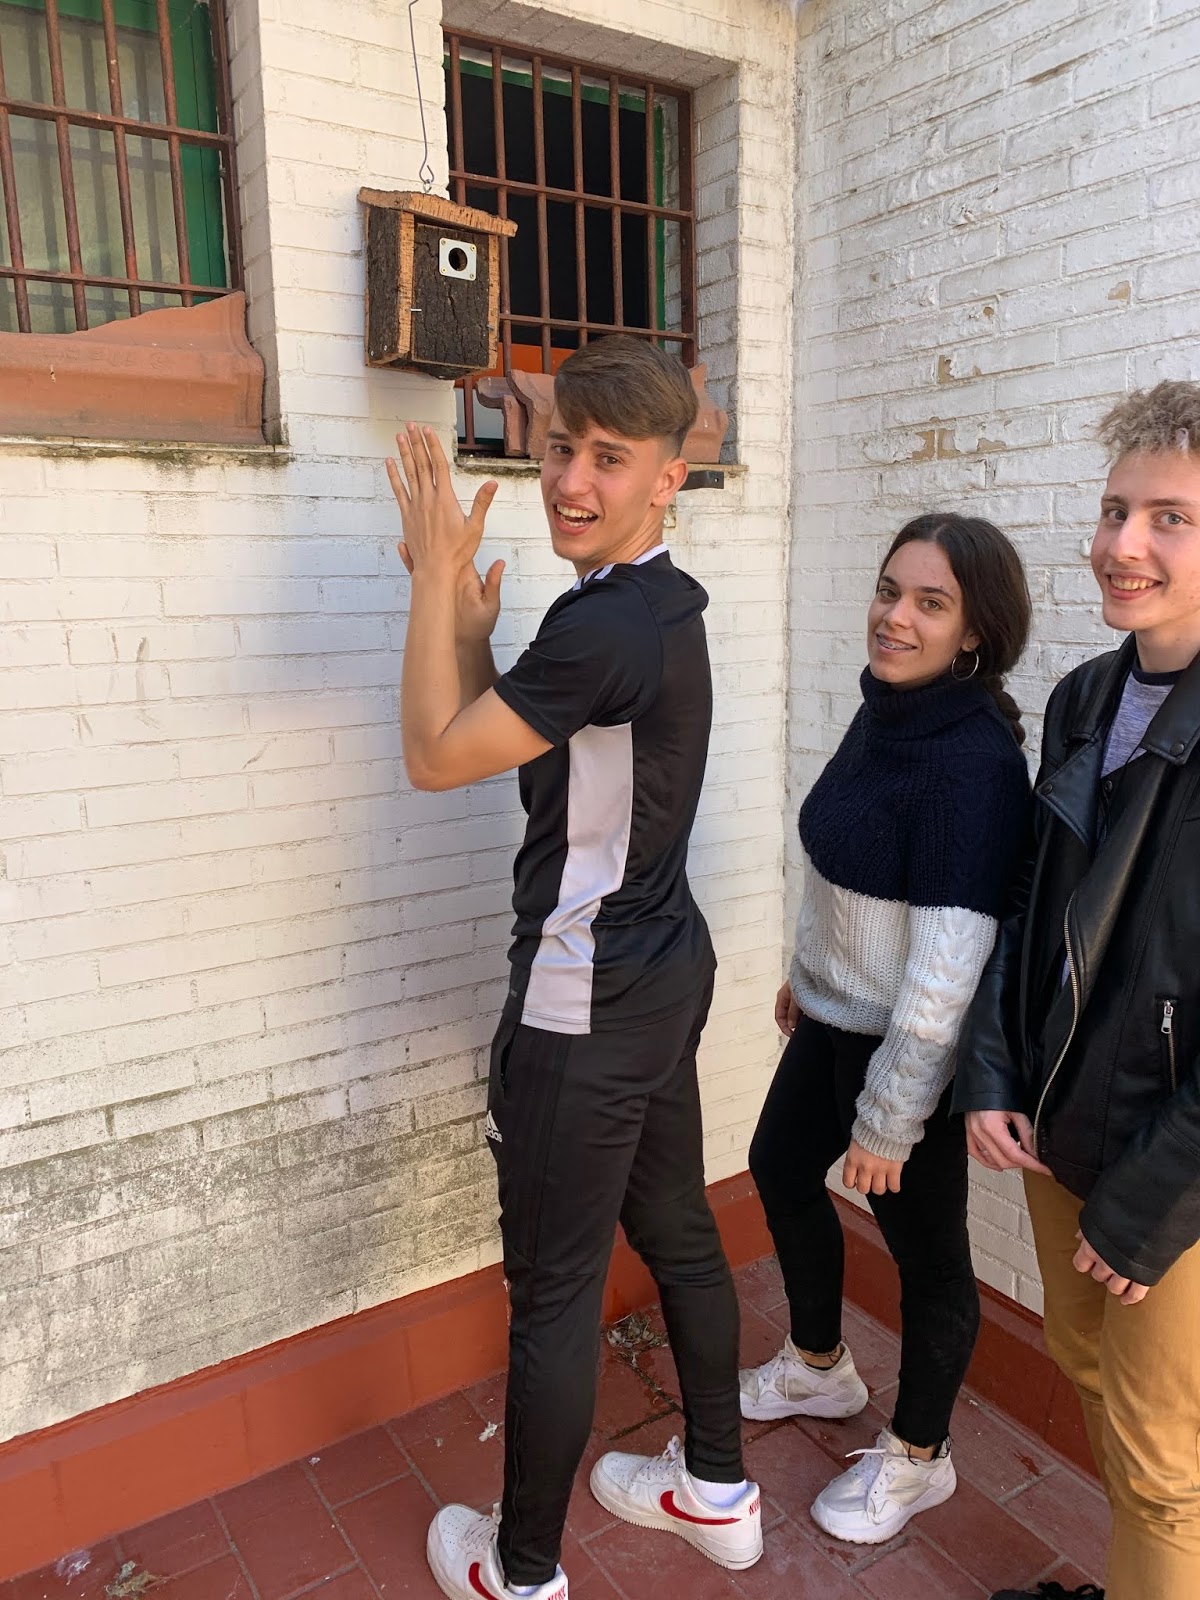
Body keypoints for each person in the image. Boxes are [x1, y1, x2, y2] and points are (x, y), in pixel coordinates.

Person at [390, 335, 761, 1600]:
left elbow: (434, 758)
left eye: (609, 457)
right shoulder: (648, 605)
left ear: (669, 476)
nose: (570, 481)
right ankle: (718, 1491)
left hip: (586, 996)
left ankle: (523, 1572)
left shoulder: (604, 624)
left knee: (553, 1295)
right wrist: (473, 635)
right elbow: (530, 752)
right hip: (659, 972)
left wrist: (430, 584)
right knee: (678, 1229)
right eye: (559, 448)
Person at [741, 514, 1033, 1545]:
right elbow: (840, 861)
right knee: (779, 1168)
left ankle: (921, 1456)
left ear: (975, 632)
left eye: (929, 603)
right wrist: (807, 972)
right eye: (889, 590)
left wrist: (890, 1119)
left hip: (907, 1055)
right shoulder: (887, 710)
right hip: (835, 1015)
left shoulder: (971, 767)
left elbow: (947, 970)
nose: (895, 617)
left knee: (928, 1259)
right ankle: (821, 1366)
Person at [956, 382, 1200, 1600]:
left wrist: (1153, 1199)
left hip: (1174, 1169)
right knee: (1088, 1364)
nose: (1123, 545)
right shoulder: (1085, 698)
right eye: (1115, 510)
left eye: (1171, 518)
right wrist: (993, 1067)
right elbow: (1031, 901)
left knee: (1163, 1465)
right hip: (1060, 1130)